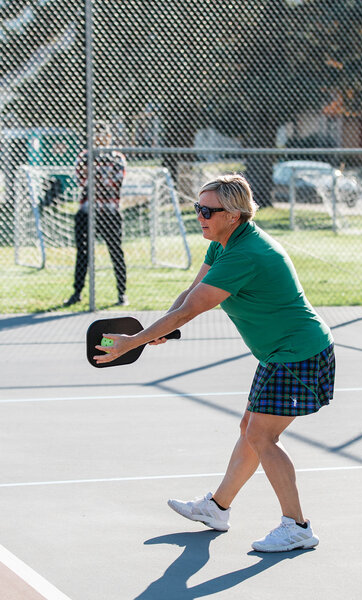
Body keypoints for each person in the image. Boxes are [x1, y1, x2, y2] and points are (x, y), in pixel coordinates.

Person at [93, 174, 335, 552]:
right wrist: (163, 330)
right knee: (250, 428)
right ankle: (217, 508)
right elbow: (191, 294)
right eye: (197, 208)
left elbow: (191, 310)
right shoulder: (222, 244)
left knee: (262, 436)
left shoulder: (246, 254)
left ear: (235, 214)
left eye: (208, 210)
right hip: (280, 352)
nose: (200, 216)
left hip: (298, 352)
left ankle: (298, 526)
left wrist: (132, 343)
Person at [64, 121, 128, 307]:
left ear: (108, 137)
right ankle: (77, 292)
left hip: (110, 212)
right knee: (82, 252)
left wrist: (96, 179)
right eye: (95, 135)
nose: (98, 139)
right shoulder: (85, 156)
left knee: (116, 251)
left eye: (102, 135)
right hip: (87, 211)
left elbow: (115, 182)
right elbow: (83, 181)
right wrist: (98, 180)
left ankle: (121, 293)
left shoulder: (117, 158)